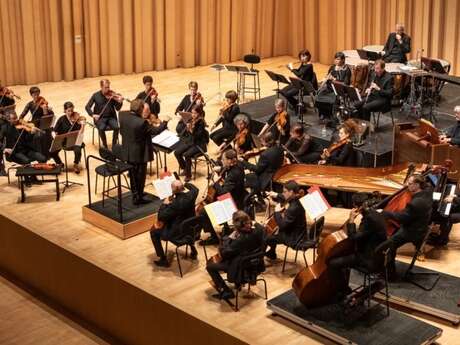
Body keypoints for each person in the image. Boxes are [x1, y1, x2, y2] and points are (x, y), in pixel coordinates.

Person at [328, 193, 387, 290]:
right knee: (344, 256)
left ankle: (342, 291)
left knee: (332, 263)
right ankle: (343, 285)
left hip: (368, 260)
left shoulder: (369, 219)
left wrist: (351, 221)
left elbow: (353, 238)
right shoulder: (375, 213)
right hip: (379, 257)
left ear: (356, 206)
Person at [379, 174, 433, 276]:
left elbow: (402, 218)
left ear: (417, 185)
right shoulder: (428, 193)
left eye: (409, 183)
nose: (406, 185)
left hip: (411, 232)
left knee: (384, 247)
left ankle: (389, 274)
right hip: (422, 227)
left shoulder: (415, 203)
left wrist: (386, 213)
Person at [206, 210, 264, 300]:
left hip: (240, 267)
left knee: (209, 266)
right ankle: (240, 282)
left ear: (237, 226)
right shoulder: (259, 228)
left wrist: (223, 238)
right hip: (256, 263)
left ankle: (226, 291)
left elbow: (224, 254)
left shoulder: (239, 240)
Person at [119, 99, 166, 205]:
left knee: (133, 175)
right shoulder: (141, 122)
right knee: (140, 176)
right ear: (140, 109)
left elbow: (122, 132)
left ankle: (136, 193)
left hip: (128, 151)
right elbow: (155, 131)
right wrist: (165, 122)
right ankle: (138, 198)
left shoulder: (123, 117)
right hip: (139, 153)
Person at [201, 149, 248, 245]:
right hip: (239, 197)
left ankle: (214, 238)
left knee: (203, 212)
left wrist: (215, 182)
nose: (222, 161)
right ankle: (225, 227)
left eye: (223, 159)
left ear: (230, 160)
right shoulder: (238, 164)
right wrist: (222, 167)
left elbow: (223, 193)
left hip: (232, 204)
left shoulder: (233, 175)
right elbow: (229, 167)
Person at [150, 180, 199, 267]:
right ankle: (193, 249)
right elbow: (195, 189)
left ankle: (163, 259)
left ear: (174, 190)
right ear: (182, 188)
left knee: (153, 231)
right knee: (186, 224)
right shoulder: (191, 195)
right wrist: (184, 183)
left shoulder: (174, 204)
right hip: (192, 231)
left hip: (177, 235)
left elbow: (161, 217)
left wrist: (164, 204)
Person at [265, 181, 306, 260]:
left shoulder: (294, 207)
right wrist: (275, 196)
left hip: (293, 238)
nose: (283, 193)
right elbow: (284, 198)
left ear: (291, 192)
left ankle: (261, 260)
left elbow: (282, 226)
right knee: (272, 229)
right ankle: (271, 253)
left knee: (266, 236)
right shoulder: (297, 200)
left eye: (284, 192)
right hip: (298, 232)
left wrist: (276, 212)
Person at [174, 104, 209, 182]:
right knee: (177, 152)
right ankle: (185, 168)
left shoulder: (201, 122)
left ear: (199, 113)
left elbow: (197, 136)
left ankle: (188, 175)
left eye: (195, 113)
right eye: (192, 113)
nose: (193, 115)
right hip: (191, 142)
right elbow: (186, 132)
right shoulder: (191, 120)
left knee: (187, 155)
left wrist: (190, 130)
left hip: (199, 144)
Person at [20, 86, 55, 162]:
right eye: (34, 94)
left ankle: (49, 154)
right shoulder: (29, 104)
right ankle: (40, 157)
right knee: (37, 137)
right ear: (31, 95)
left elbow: (48, 116)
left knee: (47, 134)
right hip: (34, 124)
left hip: (43, 122)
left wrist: (45, 110)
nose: (37, 96)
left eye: (38, 94)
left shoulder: (43, 103)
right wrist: (27, 124)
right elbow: (21, 117)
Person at [315, 52, 352, 125]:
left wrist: (334, 80)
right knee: (318, 97)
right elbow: (328, 76)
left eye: (338, 59)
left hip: (339, 91)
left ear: (343, 60)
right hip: (330, 88)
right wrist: (326, 79)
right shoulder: (332, 67)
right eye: (335, 59)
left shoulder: (347, 70)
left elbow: (345, 84)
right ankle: (324, 114)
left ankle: (329, 116)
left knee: (330, 99)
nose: (336, 61)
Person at [85, 79, 123, 148]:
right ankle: (105, 144)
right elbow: (87, 107)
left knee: (117, 127)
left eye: (108, 87)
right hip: (100, 118)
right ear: (101, 87)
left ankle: (114, 144)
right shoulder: (96, 95)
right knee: (101, 128)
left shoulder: (112, 95)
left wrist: (120, 102)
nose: (108, 89)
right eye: (106, 87)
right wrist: (93, 115)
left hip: (111, 117)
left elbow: (118, 108)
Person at [51, 102, 86, 173]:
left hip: (75, 141)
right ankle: (60, 164)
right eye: (68, 111)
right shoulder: (61, 119)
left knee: (78, 149)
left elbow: (80, 133)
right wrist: (55, 136)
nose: (71, 113)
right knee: (52, 152)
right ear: (65, 111)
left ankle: (76, 164)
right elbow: (54, 131)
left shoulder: (76, 119)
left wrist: (82, 125)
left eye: (72, 110)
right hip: (64, 142)